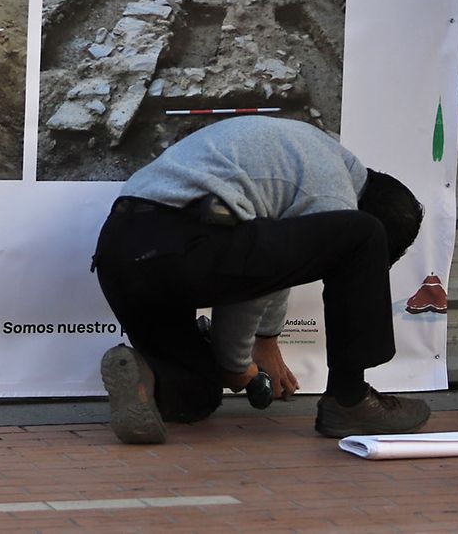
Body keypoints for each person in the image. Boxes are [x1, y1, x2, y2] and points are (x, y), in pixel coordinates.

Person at [90, 116, 430, 443]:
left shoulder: (309, 152)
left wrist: (265, 340)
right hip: (182, 240)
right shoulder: (335, 191)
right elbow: (251, 286)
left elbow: (273, 259)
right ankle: (351, 401)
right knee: (363, 236)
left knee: (197, 395)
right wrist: (237, 365)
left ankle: (149, 379)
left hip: (120, 254)